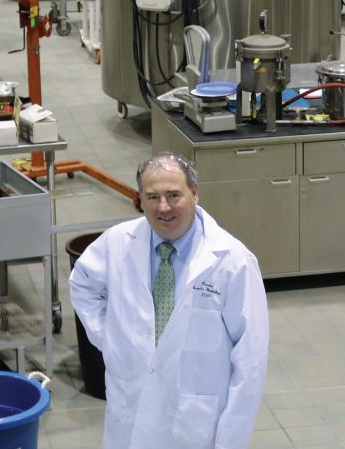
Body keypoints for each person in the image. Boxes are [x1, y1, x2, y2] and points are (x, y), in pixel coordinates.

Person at [69, 152, 269, 449]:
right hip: (131, 413)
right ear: (140, 199)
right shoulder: (118, 242)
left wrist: (230, 441)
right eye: (152, 197)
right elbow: (82, 285)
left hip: (195, 424)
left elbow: (251, 361)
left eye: (174, 195)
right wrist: (109, 338)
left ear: (195, 193)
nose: (163, 207)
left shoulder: (232, 261)